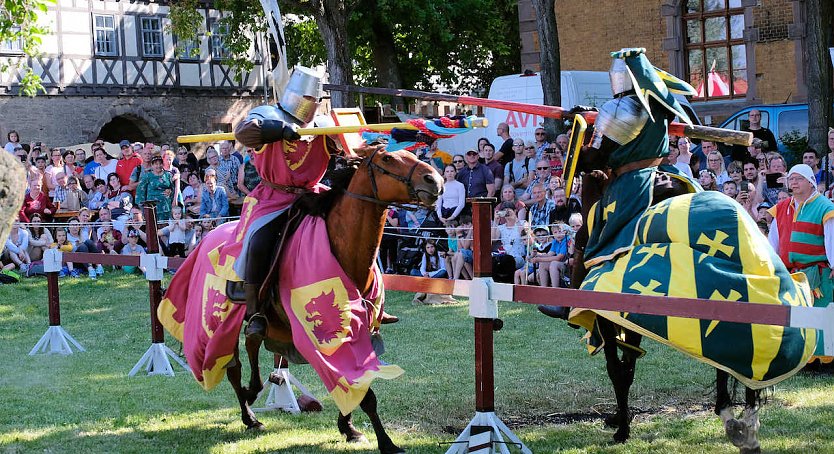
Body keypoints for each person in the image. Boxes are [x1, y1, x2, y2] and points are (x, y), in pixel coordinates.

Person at [768, 164, 834, 364]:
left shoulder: (825, 207)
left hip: (819, 274)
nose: (794, 182)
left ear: (810, 182)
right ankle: (803, 359)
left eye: (799, 179)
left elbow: (831, 239)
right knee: (799, 317)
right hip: (792, 274)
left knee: (823, 315)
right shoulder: (782, 208)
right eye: (791, 179)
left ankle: (826, 360)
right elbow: (774, 240)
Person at [136, 152, 175, 221]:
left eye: (160, 163)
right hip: (152, 207)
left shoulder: (168, 175)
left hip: (166, 206)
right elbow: (140, 191)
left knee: (166, 228)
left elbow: (172, 189)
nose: (158, 166)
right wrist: (142, 207)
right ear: (152, 165)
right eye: (156, 164)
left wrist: (170, 191)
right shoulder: (147, 176)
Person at [491, 205, 527, 270]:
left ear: (515, 211)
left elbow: (525, 238)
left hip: (518, 257)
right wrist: (495, 221)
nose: (507, 213)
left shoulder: (523, 223)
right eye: (505, 211)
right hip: (505, 256)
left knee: (506, 262)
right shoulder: (501, 227)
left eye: (509, 211)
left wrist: (516, 220)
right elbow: (493, 239)